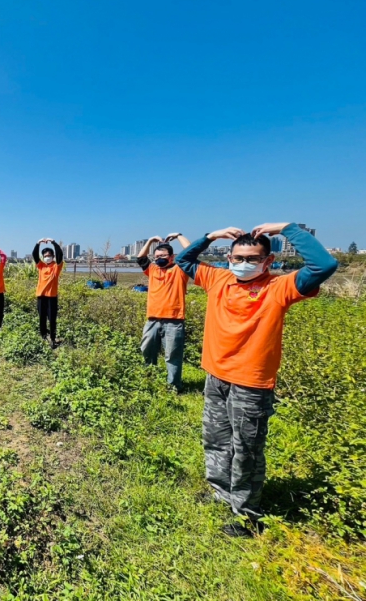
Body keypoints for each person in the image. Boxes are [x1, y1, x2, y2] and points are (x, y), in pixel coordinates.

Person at [176, 222, 337, 537]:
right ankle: (221, 493)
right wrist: (210, 237)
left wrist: (287, 228)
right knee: (216, 440)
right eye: (237, 258)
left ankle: (248, 516)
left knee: (246, 448)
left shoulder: (279, 287)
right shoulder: (218, 278)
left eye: (252, 258)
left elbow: (325, 265)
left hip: (251, 383)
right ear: (229, 258)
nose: (243, 263)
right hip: (216, 375)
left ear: (268, 262)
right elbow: (184, 262)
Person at [137, 232, 192, 392]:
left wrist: (179, 236)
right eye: (157, 256)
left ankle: (173, 386)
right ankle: (150, 379)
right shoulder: (153, 269)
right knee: (147, 349)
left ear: (172, 257)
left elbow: (191, 251)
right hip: (152, 320)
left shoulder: (179, 270)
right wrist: (149, 240)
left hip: (174, 321)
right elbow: (140, 258)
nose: (159, 258)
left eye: (163, 255)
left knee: (172, 356)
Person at [32, 238, 63, 346]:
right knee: (42, 317)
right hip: (41, 296)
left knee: (52, 318)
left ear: (53, 256)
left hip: (51, 297)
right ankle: (43, 336)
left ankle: (53, 338)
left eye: (49, 255)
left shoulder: (56, 266)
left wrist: (53, 242)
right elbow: (35, 254)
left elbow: (60, 254)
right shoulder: (41, 266)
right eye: (45, 256)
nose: (47, 257)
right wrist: (38, 243)